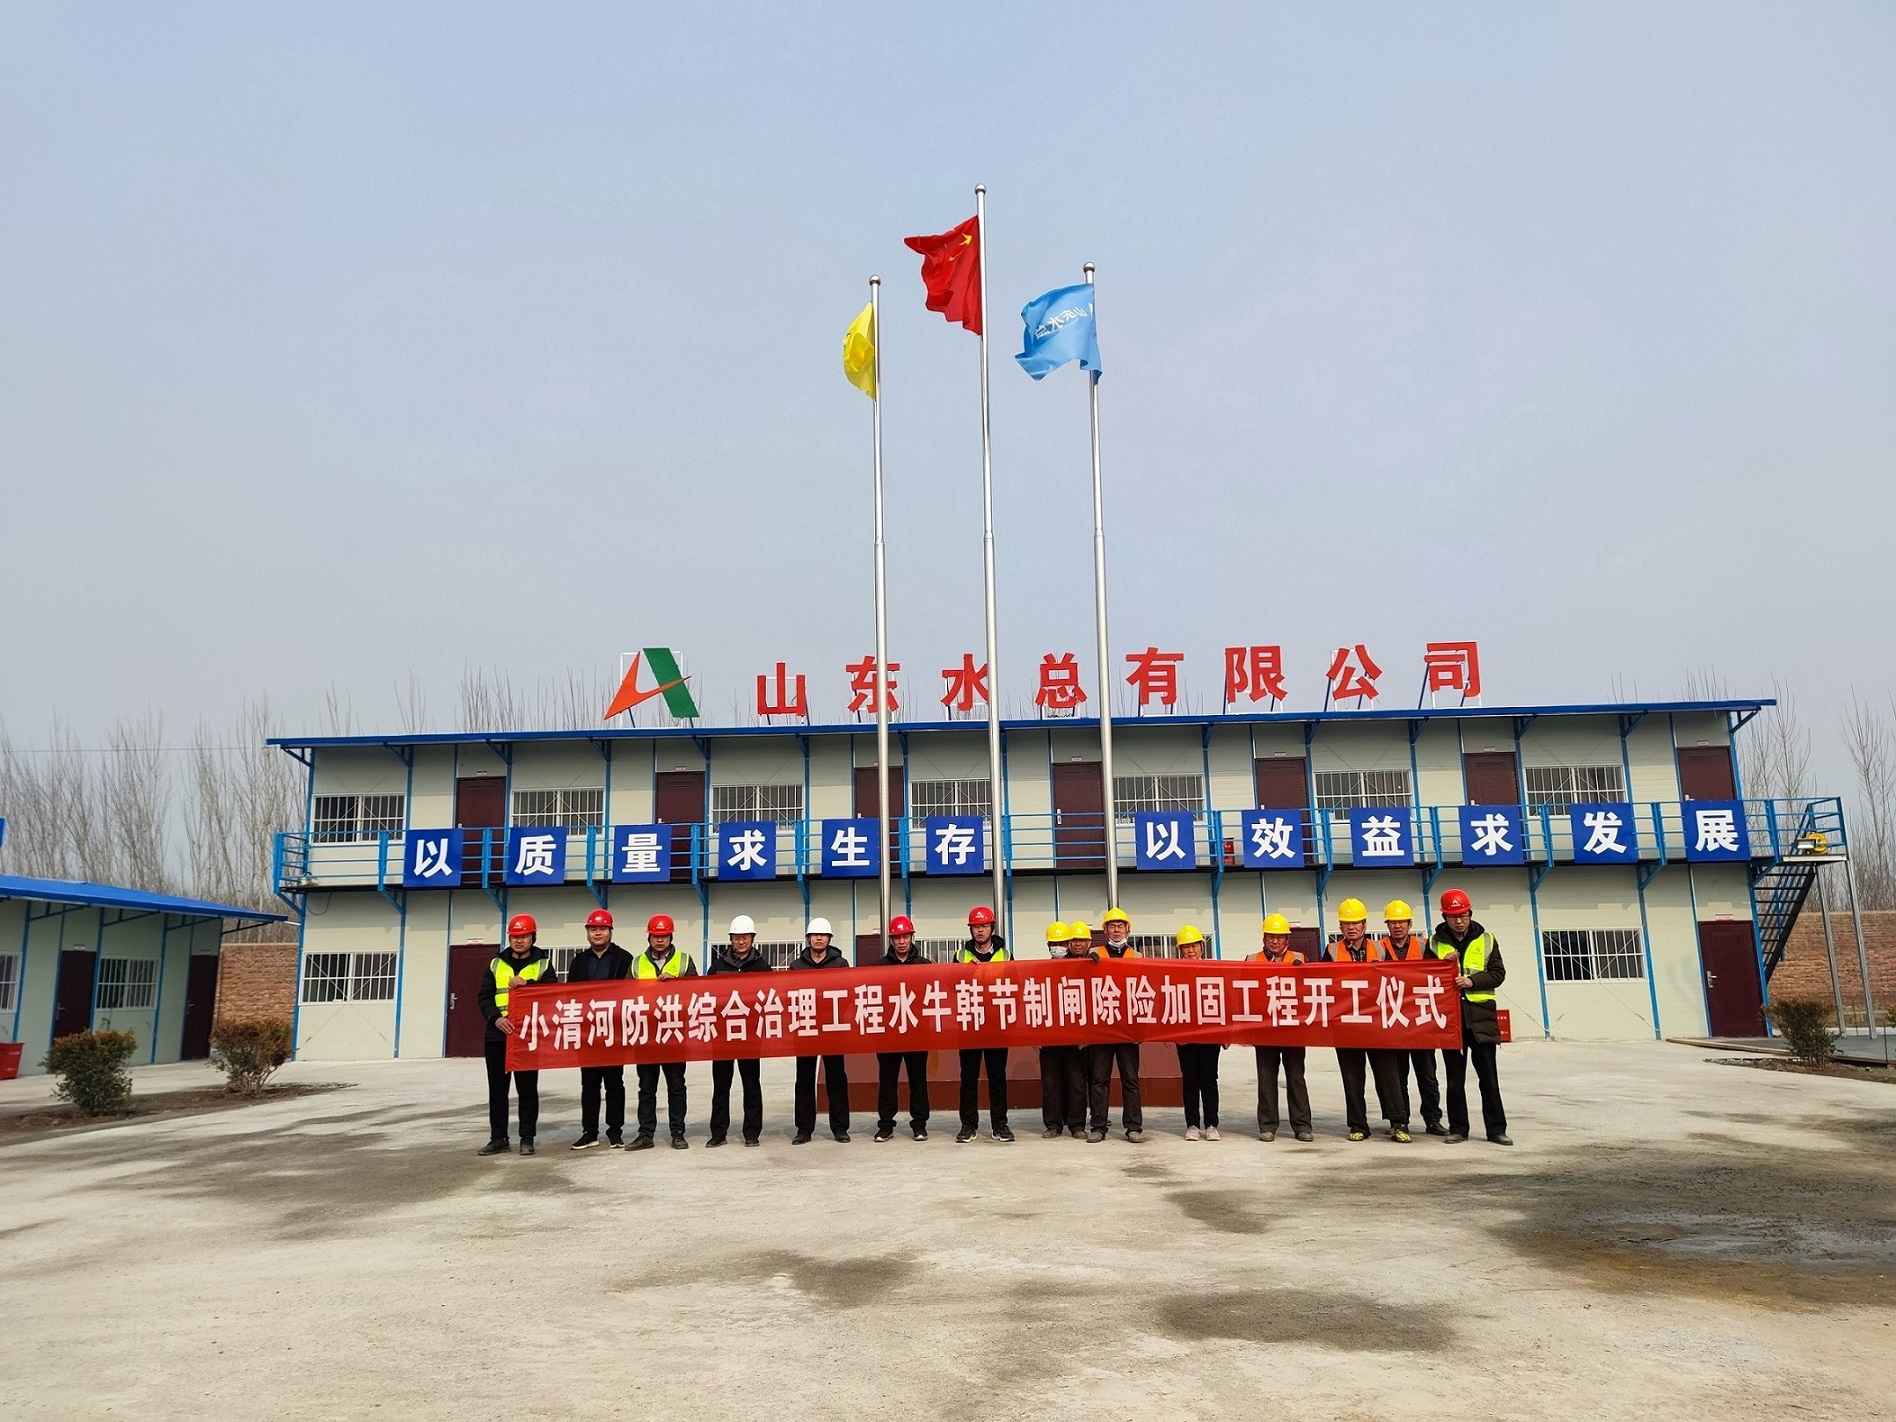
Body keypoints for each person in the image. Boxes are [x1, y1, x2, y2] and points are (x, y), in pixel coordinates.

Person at [1430, 888, 1512, 1145]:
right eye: (1453, 916)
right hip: (1452, 1021)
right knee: (1455, 1081)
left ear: (1470, 913)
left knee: (1489, 1079)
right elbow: (1427, 978)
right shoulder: (1434, 944)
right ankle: (1458, 1128)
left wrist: (1471, 981)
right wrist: (1443, 965)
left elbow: (1498, 974)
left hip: (1481, 1020)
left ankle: (1496, 1130)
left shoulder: (1486, 939)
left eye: (1463, 915)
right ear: (1444, 917)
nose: (1459, 921)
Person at [1328, 898, 1411, 1143]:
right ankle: (1358, 1125)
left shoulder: (1381, 949)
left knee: (1389, 1075)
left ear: (1364, 925)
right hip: (1347, 1025)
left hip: (1378, 1024)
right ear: (1340, 927)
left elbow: (1398, 979)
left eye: (1356, 923)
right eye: (1346, 923)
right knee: (1352, 1078)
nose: (1351, 927)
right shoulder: (1332, 951)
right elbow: (1322, 983)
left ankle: (1399, 1123)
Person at [477, 913, 554, 1157]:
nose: (519, 940)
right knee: (498, 1090)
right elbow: (484, 997)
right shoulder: (495, 964)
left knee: (527, 1089)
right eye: (514, 936)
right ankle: (498, 1138)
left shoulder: (543, 964)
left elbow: (552, 995)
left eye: (524, 936)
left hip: (527, 1036)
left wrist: (528, 985)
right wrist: (496, 1018)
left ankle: (527, 1138)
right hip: (498, 1035)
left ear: (533, 937)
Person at [565, 908, 633, 1150]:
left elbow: (632, 994)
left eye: (602, 929)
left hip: (614, 1032)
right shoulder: (578, 962)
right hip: (588, 1034)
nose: (598, 933)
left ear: (610, 932)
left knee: (615, 1083)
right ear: (587, 933)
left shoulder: (624, 958)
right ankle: (589, 1132)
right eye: (593, 929)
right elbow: (569, 996)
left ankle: (615, 1132)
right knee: (590, 1084)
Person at [1379, 899, 1446, 1137]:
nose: (1397, 926)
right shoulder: (1379, 949)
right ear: (1387, 925)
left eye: (1402, 922)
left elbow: (1438, 974)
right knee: (1398, 1078)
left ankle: (1433, 1119)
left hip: (1421, 1022)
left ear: (1409, 924)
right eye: (1393, 922)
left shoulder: (1425, 946)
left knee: (1427, 1076)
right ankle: (1400, 1121)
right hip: (1394, 1023)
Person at [630, 913, 697, 1151]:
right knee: (646, 1087)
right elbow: (625, 997)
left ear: (671, 937)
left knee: (676, 1086)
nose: (660, 940)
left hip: (674, 1033)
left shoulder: (684, 961)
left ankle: (678, 1132)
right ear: (649, 937)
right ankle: (645, 1133)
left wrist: (677, 983)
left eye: (664, 935)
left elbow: (696, 993)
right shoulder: (636, 964)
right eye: (656, 936)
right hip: (646, 1035)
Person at [706, 914, 770, 1148]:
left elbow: (770, 997)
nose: (741, 942)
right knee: (721, 1086)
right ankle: (718, 1133)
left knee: (751, 1084)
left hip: (750, 1035)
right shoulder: (718, 966)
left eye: (745, 937)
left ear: (752, 939)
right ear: (730, 939)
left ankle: (752, 1133)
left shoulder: (762, 967)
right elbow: (707, 996)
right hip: (723, 1035)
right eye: (736, 938)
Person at [1249, 914, 1312, 1142]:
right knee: (1266, 1078)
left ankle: (1302, 1125)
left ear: (1287, 939)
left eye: (1279, 937)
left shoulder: (1300, 959)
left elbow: (1310, 990)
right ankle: (1267, 1125)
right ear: (1264, 938)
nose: (1274, 941)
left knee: (1296, 1078)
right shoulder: (1252, 960)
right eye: (1270, 937)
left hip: (1293, 1029)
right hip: (1265, 1030)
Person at [788, 917, 851, 1144]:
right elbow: (789, 997)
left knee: (836, 1078)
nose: (818, 939)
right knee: (804, 1080)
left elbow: (847, 995)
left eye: (823, 935)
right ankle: (804, 1129)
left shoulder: (840, 964)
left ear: (829, 938)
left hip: (832, 1029)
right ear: (808, 938)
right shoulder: (796, 966)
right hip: (805, 1029)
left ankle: (840, 1128)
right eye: (815, 935)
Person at [955, 905, 1013, 1143]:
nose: (980, 930)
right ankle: (968, 1125)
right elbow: (952, 987)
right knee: (968, 1078)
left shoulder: (1006, 955)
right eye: (976, 927)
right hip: (970, 1024)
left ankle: (1000, 1124)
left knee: (997, 1077)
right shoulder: (960, 956)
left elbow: (1015, 987)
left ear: (992, 928)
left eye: (984, 926)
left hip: (996, 1025)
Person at [1087, 909, 1144, 1144]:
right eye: (1112, 926)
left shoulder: (1138, 957)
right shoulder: (1094, 955)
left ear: (1128, 929)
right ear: (1105, 930)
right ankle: (1098, 1126)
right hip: (1102, 1027)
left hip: (1128, 1029)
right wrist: (1087, 963)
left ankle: (1133, 1127)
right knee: (1099, 1080)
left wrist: (1140, 1028)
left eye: (1121, 925)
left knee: (1130, 1079)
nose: (1117, 930)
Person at [874, 916, 932, 1143]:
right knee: (887, 1080)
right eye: (897, 937)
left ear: (911, 938)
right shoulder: (880, 967)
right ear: (891, 940)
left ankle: (919, 1125)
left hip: (917, 1032)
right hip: (889, 1033)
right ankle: (885, 1125)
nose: (901, 942)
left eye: (905, 937)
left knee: (918, 1080)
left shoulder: (924, 966)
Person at [1037, 922, 1088, 1139]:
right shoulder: (1041, 970)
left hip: (1075, 1037)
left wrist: (1087, 1035)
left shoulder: (1080, 968)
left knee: (1076, 1082)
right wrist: (1035, 1035)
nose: (1057, 947)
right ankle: (1053, 1124)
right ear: (1048, 946)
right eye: (1053, 943)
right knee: (1051, 1083)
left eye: (1061, 943)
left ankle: (1077, 1125)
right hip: (1049, 1037)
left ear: (1068, 944)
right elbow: (1035, 1002)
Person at [1173, 925, 1222, 1141]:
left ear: (1202, 947)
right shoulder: (1174, 972)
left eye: (1194, 945)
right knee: (1190, 1080)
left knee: (1209, 1079)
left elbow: (1223, 1000)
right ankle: (1192, 1125)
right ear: (1180, 950)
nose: (1190, 950)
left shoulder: (1214, 969)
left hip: (1209, 1033)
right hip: (1185, 1034)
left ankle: (1211, 1124)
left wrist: (1225, 1034)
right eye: (1186, 947)